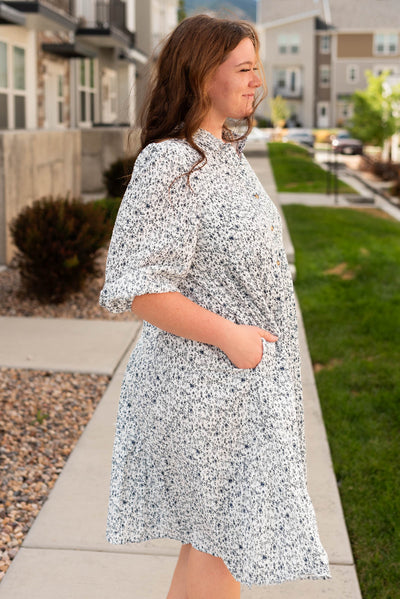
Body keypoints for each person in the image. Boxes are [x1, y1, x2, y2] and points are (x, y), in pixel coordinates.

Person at [100, 14, 331, 599]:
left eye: (259, 69)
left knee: (208, 555)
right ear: (203, 76)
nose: (259, 82)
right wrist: (234, 337)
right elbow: (143, 289)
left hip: (237, 393)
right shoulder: (170, 163)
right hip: (203, 395)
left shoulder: (223, 153)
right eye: (245, 69)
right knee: (216, 554)